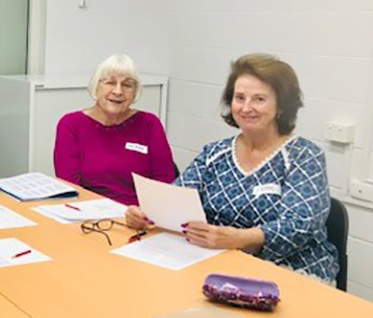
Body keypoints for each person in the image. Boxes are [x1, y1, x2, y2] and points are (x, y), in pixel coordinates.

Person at [125, 54, 339, 283]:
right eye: (239, 98)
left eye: (259, 99)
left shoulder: (304, 156)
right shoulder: (215, 152)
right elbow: (176, 197)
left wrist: (238, 239)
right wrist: (146, 214)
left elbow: (299, 226)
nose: (246, 108)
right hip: (218, 262)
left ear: (281, 106)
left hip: (291, 271)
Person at [53, 54, 174, 205]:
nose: (118, 91)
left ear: (135, 92)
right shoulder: (71, 124)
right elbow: (70, 187)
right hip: (89, 212)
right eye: (110, 82)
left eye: (127, 85)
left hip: (140, 213)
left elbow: (165, 182)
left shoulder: (150, 124)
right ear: (96, 86)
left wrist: (143, 213)